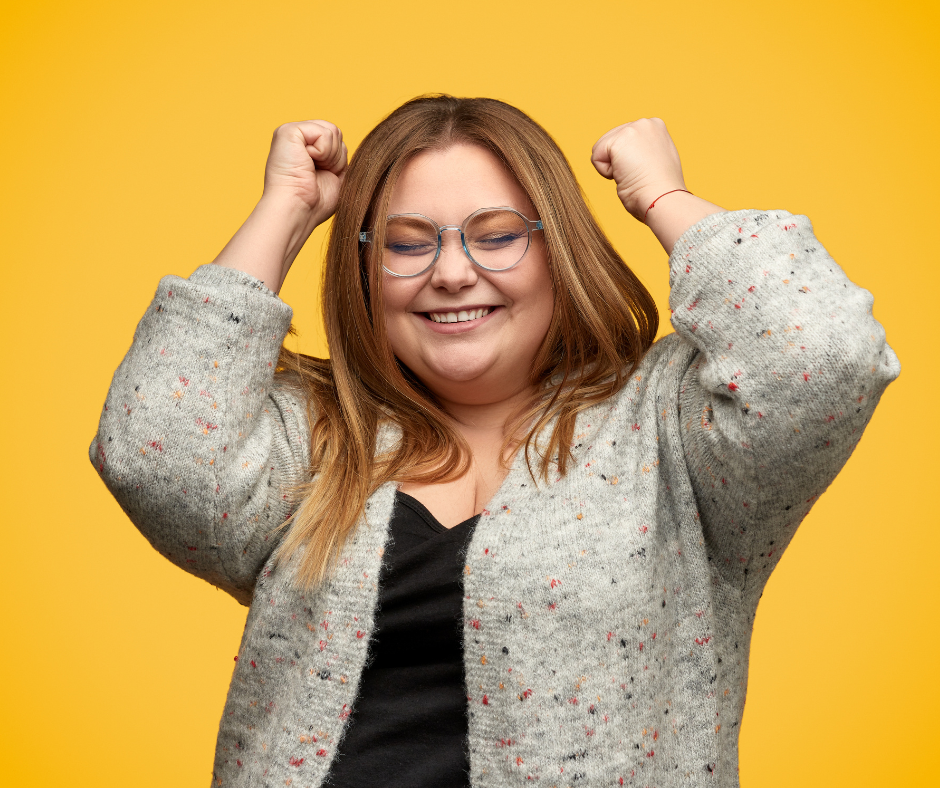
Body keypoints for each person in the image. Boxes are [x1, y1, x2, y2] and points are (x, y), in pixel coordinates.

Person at [89, 94, 899, 787]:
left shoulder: (670, 429)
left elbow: (822, 356)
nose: (451, 271)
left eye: (497, 233)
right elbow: (152, 451)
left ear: (558, 251)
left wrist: (665, 197)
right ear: (366, 269)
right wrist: (286, 211)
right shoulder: (314, 438)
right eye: (408, 242)